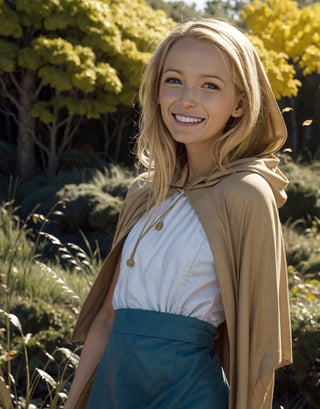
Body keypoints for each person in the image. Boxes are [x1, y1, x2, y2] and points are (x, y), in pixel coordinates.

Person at [64, 18, 292, 409]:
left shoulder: (247, 194)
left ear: (240, 103)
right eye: (173, 80)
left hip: (186, 392)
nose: (186, 99)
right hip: (113, 387)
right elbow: (105, 320)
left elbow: (257, 345)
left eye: (210, 86)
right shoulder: (144, 192)